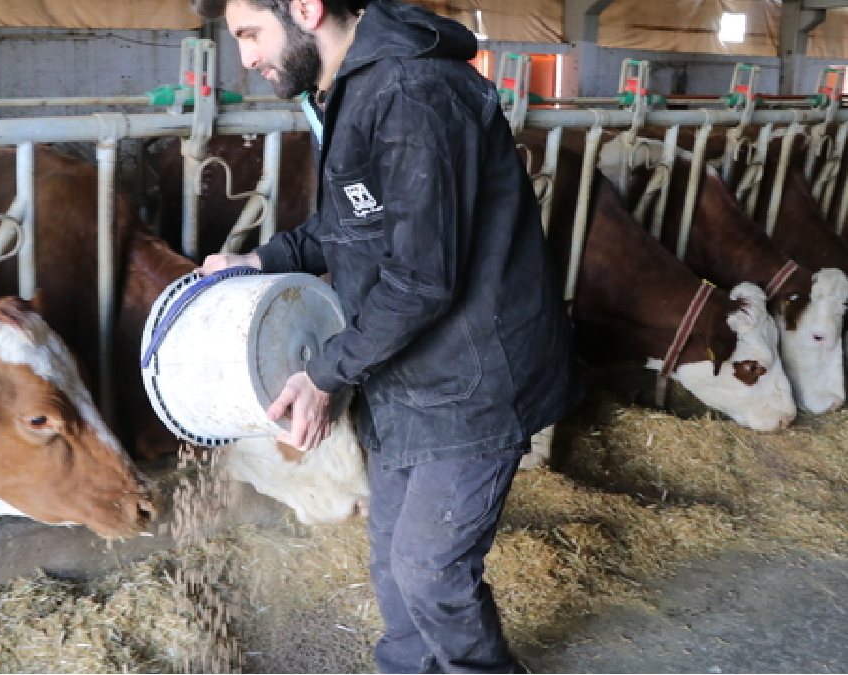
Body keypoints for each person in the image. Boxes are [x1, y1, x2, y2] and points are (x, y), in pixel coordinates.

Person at [195, 0, 580, 672]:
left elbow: (421, 278)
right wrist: (260, 261)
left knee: (431, 572)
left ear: (306, 8)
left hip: (472, 378)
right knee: (392, 560)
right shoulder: (354, 89)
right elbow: (349, 225)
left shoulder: (410, 94)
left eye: (250, 34)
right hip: (408, 371)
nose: (248, 59)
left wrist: (325, 375)